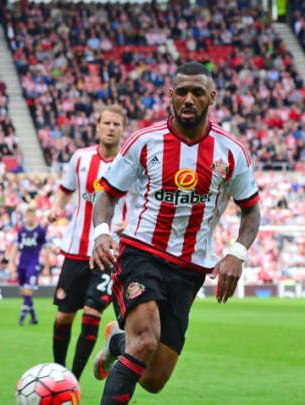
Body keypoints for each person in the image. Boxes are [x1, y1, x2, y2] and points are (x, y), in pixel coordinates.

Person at [89, 62, 261, 404]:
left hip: (190, 267)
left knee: (153, 379)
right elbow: (106, 192)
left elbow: (251, 209)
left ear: (211, 97)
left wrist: (237, 253)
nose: (188, 99)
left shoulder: (231, 151)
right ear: (170, 95)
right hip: (142, 252)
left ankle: (117, 343)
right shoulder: (144, 141)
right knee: (146, 342)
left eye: (197, 92)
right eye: (181, 91)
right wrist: (102, 231)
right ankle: (130, 341)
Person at [47, 105, 129, 380]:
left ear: (122, 129)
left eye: (116, 124)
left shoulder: (131, 162)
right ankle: (59, 372)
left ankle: (73, 380)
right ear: (97, 126)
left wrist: (129, 224)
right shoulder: (80, 158)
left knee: (92, 316)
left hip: (109, 252)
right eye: (106, 123)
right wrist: (56, 207)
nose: (110, 128)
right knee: (63, 318)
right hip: (76, 249)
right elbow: (65, 189)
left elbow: (143, 200)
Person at [9, 205, 47, 326]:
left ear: (35, 217)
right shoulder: (22, 231)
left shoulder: (40, 231)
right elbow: (16, 247)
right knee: (23, 291)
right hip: (22, 264)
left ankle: (22, 317)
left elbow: (46, 249)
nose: (30, 218)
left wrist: (46, 266)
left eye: (32, 215)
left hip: (33, 264)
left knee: (28, 291)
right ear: (25, 217)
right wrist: (11, 262)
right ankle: (34, 317)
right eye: (28, 215)